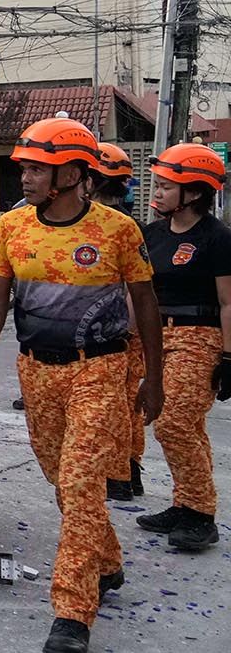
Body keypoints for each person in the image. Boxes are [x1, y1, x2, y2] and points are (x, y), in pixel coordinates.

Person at [0, 116, 164, 653]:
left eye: (38, 169)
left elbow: (145, 304)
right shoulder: (11, 227)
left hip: (99, 368)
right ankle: (108, 561)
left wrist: (153, 378)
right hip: (36, 370)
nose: (26, 178)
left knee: (79, 483)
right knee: (62, 479)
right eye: (25, 168)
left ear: (74, 173)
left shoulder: (119, 232)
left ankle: (73, 613)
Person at [133, 143, 231, 551]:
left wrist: (228, 357)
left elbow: (229, 302)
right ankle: (186, 502)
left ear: (192, 193)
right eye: (156, 185)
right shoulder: (150, 234)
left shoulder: (217, 238)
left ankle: (201, 515)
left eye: (165, 187)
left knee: (173, 422)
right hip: (155, 335)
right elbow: (136, 292)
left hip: (199, 336)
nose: (156, 193)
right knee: (187, 426)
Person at [89, 142, 148, 502]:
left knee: (112, 404)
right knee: (127, 403)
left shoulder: (108, 227)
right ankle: (129, 469)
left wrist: (123, 331)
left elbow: (132, 288)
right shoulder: (134, 225)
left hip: (115, 332)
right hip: (130, 330)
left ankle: (119, 473)